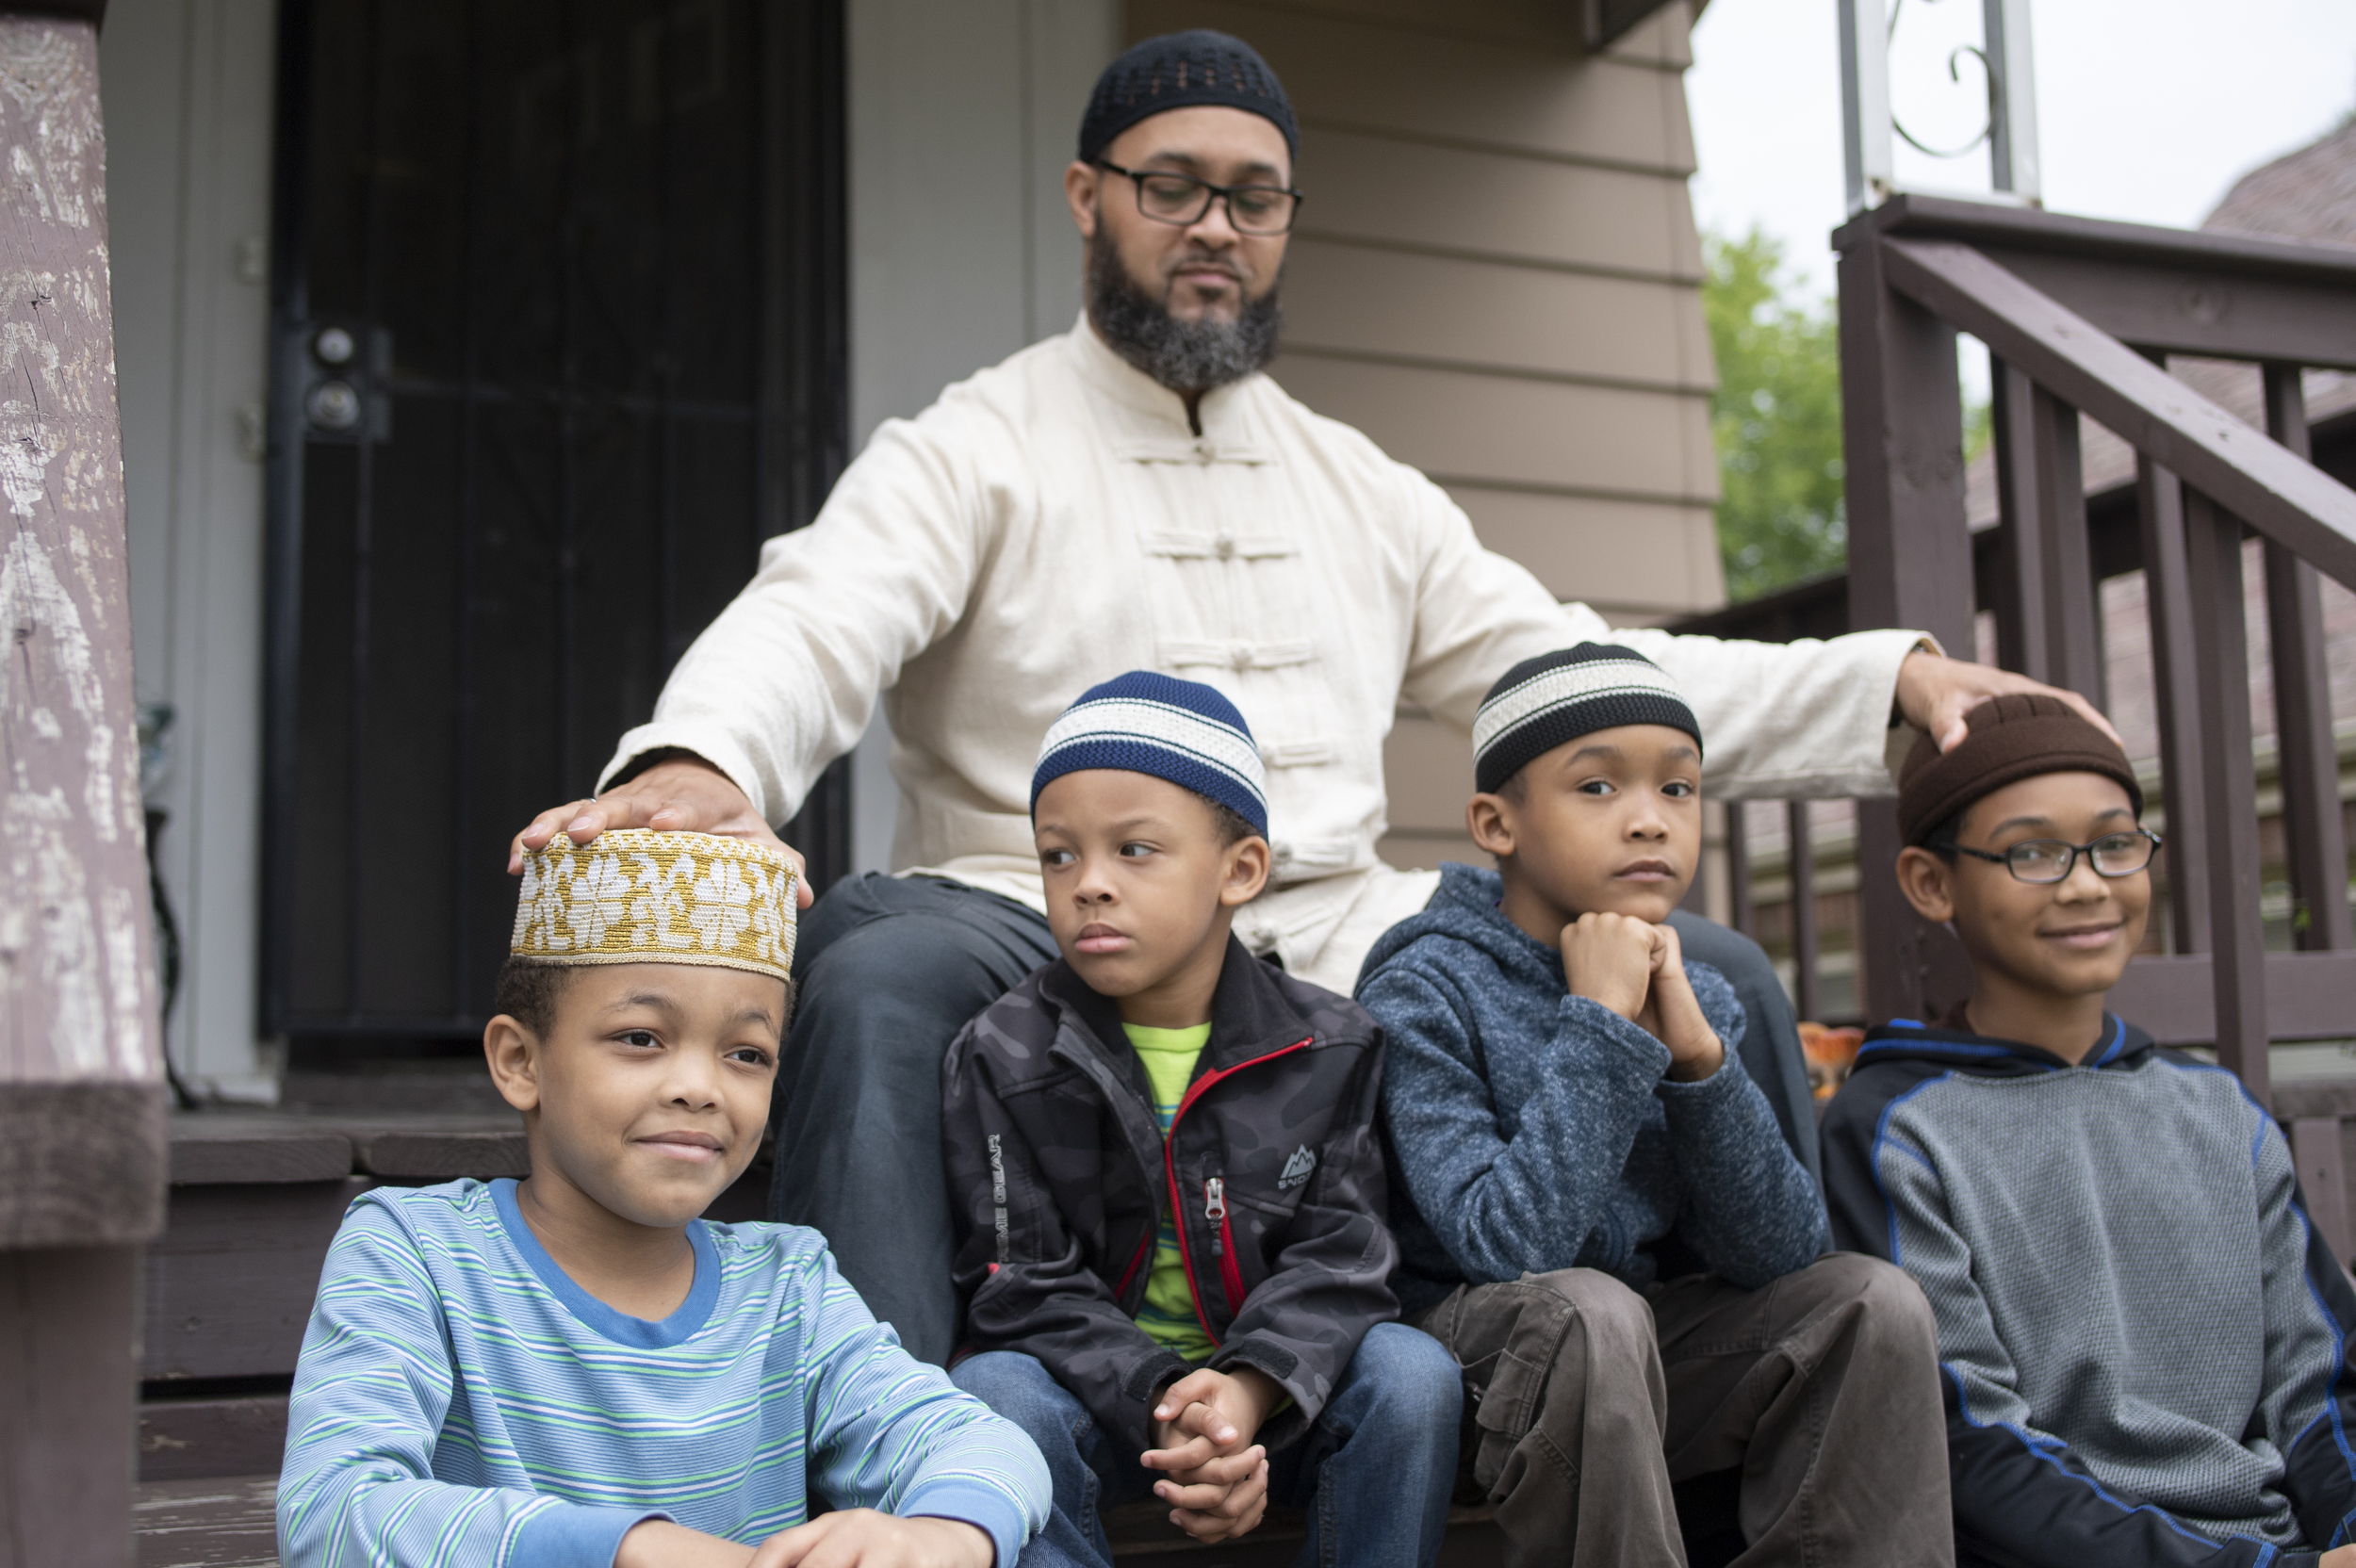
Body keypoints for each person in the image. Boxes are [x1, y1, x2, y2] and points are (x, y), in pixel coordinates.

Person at [506, 28, 2115, 1364]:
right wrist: (710, 755)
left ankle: (1754, 1400)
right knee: (874, 971)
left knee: (1711, 969)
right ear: (1090, 198)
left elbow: (1576, 681)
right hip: (1035, 907)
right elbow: (821, 606)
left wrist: (1881, 678)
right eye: (1174, 187)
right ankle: (890, 1440)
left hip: (1335, 922)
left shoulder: (1362, 485)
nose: (1216, 225)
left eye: (1255, 197)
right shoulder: (972, 445)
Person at [277, 830, 1048, 1568]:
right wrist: (634, 1550)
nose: (698, 1088)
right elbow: (334, 1515)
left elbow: (979, 1442)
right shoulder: (415, 1252)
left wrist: (941, 1534)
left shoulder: (789, 1286)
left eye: (746, 1055)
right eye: (641, 1038)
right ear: (520, 1061)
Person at [1360, 645, 1954, 1568]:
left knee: (1869, 1300)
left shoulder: (1697, 988)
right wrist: (1599, 1024)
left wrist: (1698, 1064)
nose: (1649, 821)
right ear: (1494, 820)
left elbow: (1782, 1253)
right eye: (1597, 787)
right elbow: (1506, 1250)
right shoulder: (1423, 988)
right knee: (1585, 1310)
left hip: (1634, 1362)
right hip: (1469, 1370)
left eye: (1677, 790)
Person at [1822, 695, 2356, 1568]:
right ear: (1931, 882)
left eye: (2114, 844)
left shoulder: (2219, 1108)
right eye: (2032, 852)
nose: (2085, 883)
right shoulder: (1894, 1130)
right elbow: (1968, 1445)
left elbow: (2323, 1384)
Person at [941, 673, 1460, 1566]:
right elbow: (1019, 1283)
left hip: (1280, 1404)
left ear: (1240, 870)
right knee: (993, 1391)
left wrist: (1249, 1391)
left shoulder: (1330, 1046)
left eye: (1134, 850)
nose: (1089, 886)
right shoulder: (1004, 1053)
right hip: (1100, 1412)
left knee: (1412, 1377)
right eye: (1058, 856)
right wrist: (1170, 1397)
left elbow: (1345, 1257)